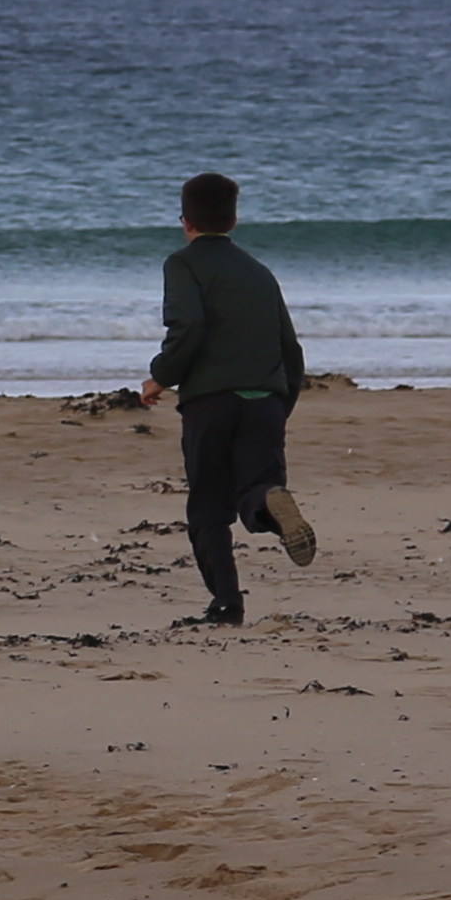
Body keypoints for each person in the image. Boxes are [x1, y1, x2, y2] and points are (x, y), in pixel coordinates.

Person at [138, 169, 315, 626]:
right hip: (266, 400)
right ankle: (270, 504)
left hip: (211, 401)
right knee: (256, 487)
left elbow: (189, 326)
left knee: (208, 506)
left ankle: (227, 603)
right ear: (234, 221)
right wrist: (279, 405)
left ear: (186, 221)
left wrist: (161, 376)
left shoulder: (183, 264)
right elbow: (291, 352)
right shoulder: (259, 272)